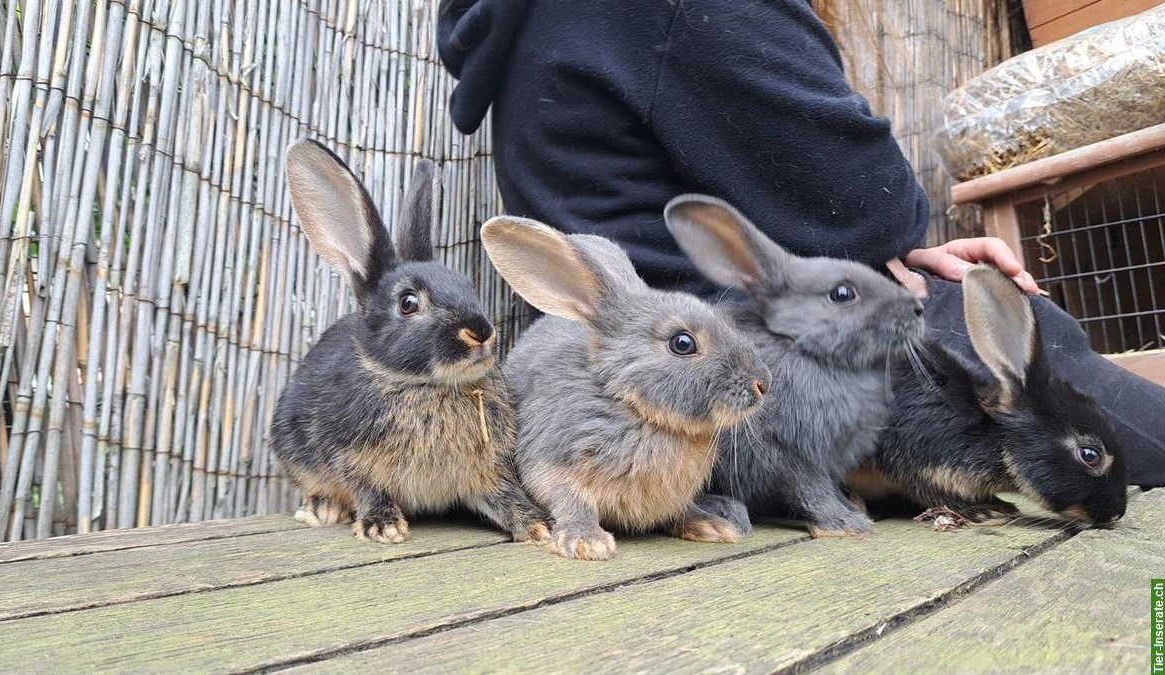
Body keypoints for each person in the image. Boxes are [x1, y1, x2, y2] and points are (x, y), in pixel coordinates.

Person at [436, 0, 1164, 486]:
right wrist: (889, 251)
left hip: (655, 365)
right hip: (731, 385)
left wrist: (895, 254)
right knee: (1056, 385)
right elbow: (863, 201)